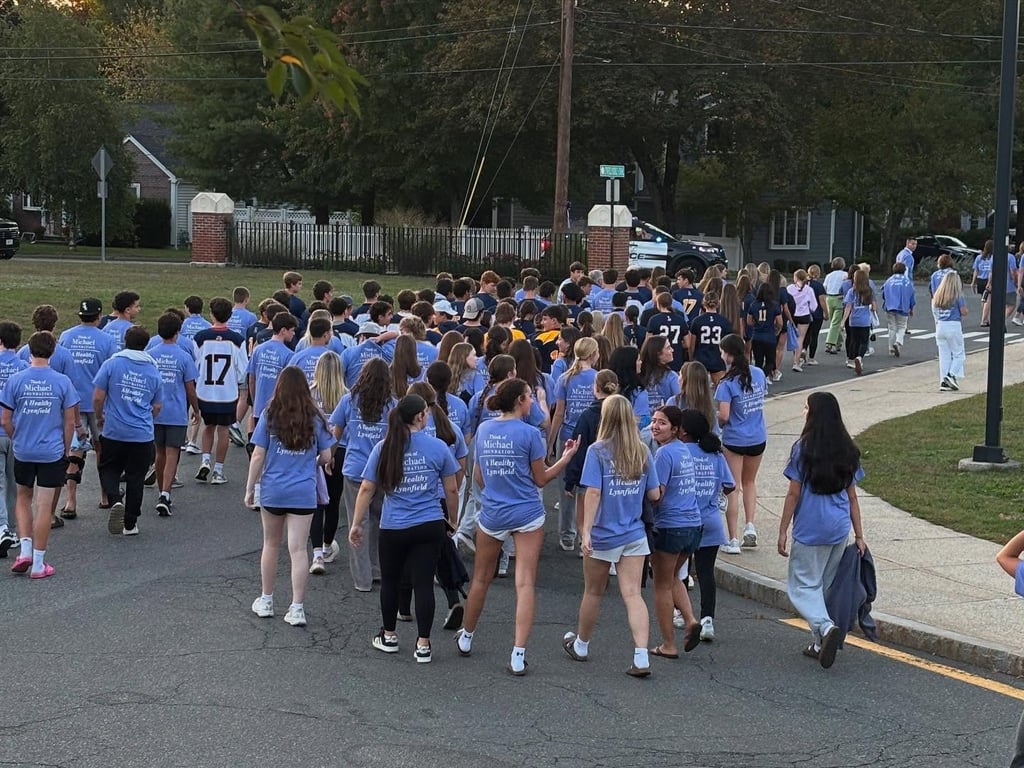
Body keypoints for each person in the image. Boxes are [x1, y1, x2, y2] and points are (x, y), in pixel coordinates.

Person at [457, 378, 579, 675]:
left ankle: (467, 636)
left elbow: (480, 476)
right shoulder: (530, 434)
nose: (532, 401)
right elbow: (541, 479)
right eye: (529, 396)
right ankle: (518, 653)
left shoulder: (485, 430)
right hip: (527, 513)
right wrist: (566, 458)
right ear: (520, 401)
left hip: (493, 513)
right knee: (524, 583)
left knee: (481, 579)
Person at [349, 393, 459, 663]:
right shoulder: (438, 447)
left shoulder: (384, 447)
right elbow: (451, 489)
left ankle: (389, 635)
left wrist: (356, 523)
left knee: (390, 581)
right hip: (429, 523)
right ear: (420, 416)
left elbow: (367, 488)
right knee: (424, 583)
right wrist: (453, 519)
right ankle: (423, 644)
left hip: (394, 525)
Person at [562, 395, 660, 677]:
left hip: (604, 533)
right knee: (633, 594)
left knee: (593, 591)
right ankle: (641, 655)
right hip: (634, 532)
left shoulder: (598, 451)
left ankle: (582, 644)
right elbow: (654, 494)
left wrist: (586, 532)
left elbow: (593, 492)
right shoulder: (641, 450)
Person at [777, 392, 866, 670]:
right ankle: (819, 643)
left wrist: (783, 530)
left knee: (802, 586)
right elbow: (853, 497)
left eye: (806, 408)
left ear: (814, 414)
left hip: (810, 527)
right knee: (824, 587)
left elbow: (794, 493)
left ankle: (825, 627)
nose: (803, 411)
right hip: (838, 527)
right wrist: (859, 535)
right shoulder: (848, 449)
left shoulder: (803, 449)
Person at [246, 367, 334, 628]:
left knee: (271, 544)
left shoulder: (270, 414)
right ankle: (297, 607)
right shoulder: (315, 417)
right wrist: (310, 462)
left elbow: (258, 454)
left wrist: (250, 487)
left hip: (273, 489)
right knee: (298, 549)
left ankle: (266, 599)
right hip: (303, 491)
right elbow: (327, 457)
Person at [1, 331, 78, 578]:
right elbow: (69, 422)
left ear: (29, 350)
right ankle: (38, 562)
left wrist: (17, 437)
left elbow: (5, 419)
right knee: (44, 506)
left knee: (23, 498)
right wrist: (66, 448)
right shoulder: (62, 382)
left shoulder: (16, 380)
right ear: (52, 351)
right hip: (51, 451)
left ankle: (24, 550)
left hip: (24, 449)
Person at [330, 357, 394, 592]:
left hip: (356, 469)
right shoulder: (392, 405)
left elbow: (336, 433)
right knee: (378, 520)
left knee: (357, 522)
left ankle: (362, 578)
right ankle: (377, 568)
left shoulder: (349, 400)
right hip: (381, 470)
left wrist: (328, 457)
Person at [648, 405, 703, 658]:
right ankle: (690, 620)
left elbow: (657, 495)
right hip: (693, 526)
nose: (655, 426)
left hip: (670, 526)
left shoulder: (663, 454)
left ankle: (668, 644)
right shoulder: (684, 450)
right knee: (673, 578)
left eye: (662, 423)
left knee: (661, 585)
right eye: (654, 421)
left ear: (676, 429)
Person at [680, 409, 734, 642]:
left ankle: (681, 613)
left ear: (683, 431)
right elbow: (730, 484)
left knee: (679, 569)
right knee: (706, 572)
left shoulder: (680, 451)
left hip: (684, 519)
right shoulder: (715, 454)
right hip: (711, 520)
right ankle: (708, 619)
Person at [58, 298, 117, 513]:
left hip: (73, 401)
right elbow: (111, 371)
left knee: (75, 450)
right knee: (102, 449)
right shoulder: (107, 340)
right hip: (98, 401)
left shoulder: (66, 336)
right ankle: (104, 495)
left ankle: (71, 501)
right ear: (99, 316)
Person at [714, 333, 767, 555]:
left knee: (733, 487)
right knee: (750, 482)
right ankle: (750, 526)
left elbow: (724, 415)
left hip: (735, 438)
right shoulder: (758, 374)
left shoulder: (726, 383)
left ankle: (733, 538)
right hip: (757, 437)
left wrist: (715, 418)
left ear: (728, 355)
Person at [193, 297, 249, 484]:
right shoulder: (237, 340)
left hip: (205, 392)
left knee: (208, 426)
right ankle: (218, 470)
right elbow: (243, 370)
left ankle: (205, 460)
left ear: (211, 314)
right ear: (230, 316)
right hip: (227, 394)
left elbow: (195, 364)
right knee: (223, 430)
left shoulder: (200, 338)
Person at [149, 313, 200, 518]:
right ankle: (165, 493)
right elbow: (190, 388)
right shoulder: (183, 356)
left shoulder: (150, 354)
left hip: (155, 412)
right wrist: (196, 409)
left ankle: (161, 491)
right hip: (176, 412)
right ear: (177, 333)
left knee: (159, 452)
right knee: (173, 454)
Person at [563, 370, 620, 554]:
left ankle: (586, 544)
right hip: (616, 473)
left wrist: (570, 479)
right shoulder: (622, 414)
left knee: (584, 516)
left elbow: (578, 448)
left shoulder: (588, 415)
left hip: (589, 476)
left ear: (595, 388)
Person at [308, 351, 346, 574]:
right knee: (333, 502)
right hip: (340, 451)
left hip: (315, 452)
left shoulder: (309, 394)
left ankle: (317, 554)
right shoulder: (347, 395)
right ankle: (327, 543)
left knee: (316, 503)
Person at [0, 322, 27, 556]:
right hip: (17, 432)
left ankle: (1, 528)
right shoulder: (23, 368)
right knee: (13, 484)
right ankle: (10, 528)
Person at [549, 337, 599, 460]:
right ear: (592, 354)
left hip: (567, 434)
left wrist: (550, 443)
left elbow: (559, 413)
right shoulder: (598, 377)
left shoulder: (564, 378)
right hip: (592, 435)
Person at [932, 271, 967, 392]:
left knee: (944, 356)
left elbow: (935, 310)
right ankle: (951, 375)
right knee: (959, 354)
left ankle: (943, 381)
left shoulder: (939, 295)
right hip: (953, 325)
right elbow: (963, 311)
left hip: (941, 325)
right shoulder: (958, 295)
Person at [686, 292, 731, 384]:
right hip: (718, 358)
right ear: (718, 303)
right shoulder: (724, 321)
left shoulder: (697, 321)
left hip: (701, 358)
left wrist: (691, 358)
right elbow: (728, 344)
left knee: (698, 389)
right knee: (720, 388)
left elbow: (691, 345)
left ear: (704, 303)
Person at [745, 283, 783, 382]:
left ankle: (758, 379)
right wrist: (777, 330)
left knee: (758, 361)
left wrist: (756, 324)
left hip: (757, 336)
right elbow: (780, 322)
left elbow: (749, 321)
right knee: (770, 361)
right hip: (769, 336)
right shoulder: (774, 305)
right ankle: (764, 376)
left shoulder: (754, 304)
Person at [841, 269, 876, 376]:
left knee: (854, 341)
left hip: (854, 320)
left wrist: (843, 321)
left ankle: (852, 358)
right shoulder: (869, 291)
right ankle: (860, 357)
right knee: (864, 341)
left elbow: (848, 307)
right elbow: (874, 307)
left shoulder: (852, 291)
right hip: (864, 320)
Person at [881, 262, 915, 357]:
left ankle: (891, 347)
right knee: (901, 326)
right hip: (903, 307)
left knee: (892, 327)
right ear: (904, 270)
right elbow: (911, 296)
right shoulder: (907, 282)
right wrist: (911, 308)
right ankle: (898, 342)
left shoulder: (889, 281)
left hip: (890, 307)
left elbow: (884, 294)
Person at [639, 335, 681, 411]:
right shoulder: (671, 377)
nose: (672, 350)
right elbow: (680, 402)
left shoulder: (639, 375)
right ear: (658, 354)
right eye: (668, 348)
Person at [822, 257, 848, 354]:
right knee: (836, 323)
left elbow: (824, 287)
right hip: (839, 298)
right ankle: (830, 343)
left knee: (833, 322)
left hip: (829, 298)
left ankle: (838, 341)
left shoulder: (829, 275)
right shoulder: (845, 275)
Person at [973, 239, 993, 327]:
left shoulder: (979, 257)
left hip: (980, 280)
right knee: (988, 300)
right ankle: (983, 319)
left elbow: (976, 270)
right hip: (988, 280)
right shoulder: (992, 258)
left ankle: (986, 318)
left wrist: (973, 282)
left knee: (983, 299)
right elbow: (991, 272)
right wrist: (989, 283)